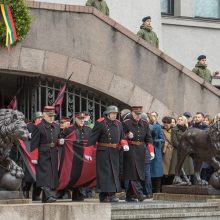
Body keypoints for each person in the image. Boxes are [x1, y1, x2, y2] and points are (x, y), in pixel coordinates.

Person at [87, 105, 129, 203]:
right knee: (105, 175)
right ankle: (108, 195)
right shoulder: (100, 123)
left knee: (114, 173)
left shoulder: (119, 124)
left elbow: (122, 137)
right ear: (108, 114)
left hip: (115, 152)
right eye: (112, 113)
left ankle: (108, 194)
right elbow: (92, 138)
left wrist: (124, 144)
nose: (114, 115)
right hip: (103, 152)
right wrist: (88, 152)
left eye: (115, 114)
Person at [30, 106, 61, 203]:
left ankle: (46, 197)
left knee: (52, 175)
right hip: (43, 153)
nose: (51, 117)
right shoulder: (38, 127)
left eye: (53, 115)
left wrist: (60, 142)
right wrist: (34, 156)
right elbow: (34, 143)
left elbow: (57, 139)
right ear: (44, 115)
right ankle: (49, 196)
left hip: (53, 153)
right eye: (49, 115)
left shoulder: (57, 126)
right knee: (45, 175)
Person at [123, 106, 153, 202]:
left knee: (139, 172)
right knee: (133, 172)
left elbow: (148, 138)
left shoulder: (145, 123)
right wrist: (127, 136)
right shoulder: (126, 122)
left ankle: (129, 195)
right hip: (130, 150)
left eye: (140, 114)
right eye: (136, 114)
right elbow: (120, 136)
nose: (138, 116)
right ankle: (139, 194)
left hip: (141, 150)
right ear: (132, 113)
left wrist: (151, 151)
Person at [61, 112, 92, 201]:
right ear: (75, 119)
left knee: (84, 174)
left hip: (85, 156)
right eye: (80, 119)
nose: (82, 121)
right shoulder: (69, 129)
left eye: (83, 119)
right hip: (73, 157)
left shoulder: (88, 129)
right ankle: (70, 192)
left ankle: (81, 192)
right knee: (74, 175)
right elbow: (62, 139)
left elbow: (92, 141)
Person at [22, 111, 43, 201]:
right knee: (29, 174)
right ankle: (26, 190)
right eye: (39, 118)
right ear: (35, 119)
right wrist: (27, 135)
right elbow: (21, 135)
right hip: (30, 152)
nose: (41, 120)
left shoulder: (43, 127)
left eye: (42, 118)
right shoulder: (28, 126)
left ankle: (36, 194)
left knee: (39, 175)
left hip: (40, 152)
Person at [170, 115, 194, 182]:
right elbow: (174, 141)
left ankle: (186, 182)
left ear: (185, 121)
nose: (179, 121)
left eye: (181, 119)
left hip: (187, 151)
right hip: (178, 151)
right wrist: (183, 148)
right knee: (178, 169)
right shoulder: (174, 129)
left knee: (187, 169)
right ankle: (177, 181)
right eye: (178, 119)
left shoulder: (188, 130)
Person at [148, 113, 164, 193]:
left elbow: (162, 139)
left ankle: (157, 189)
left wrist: (155, 141)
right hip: (146, 149)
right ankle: (149, 190)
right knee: (148, 171)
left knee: (157, 171)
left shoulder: (157, 127)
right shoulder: (142, 126)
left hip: (155, 150)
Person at [161, 116, 174, 185]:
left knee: (171, 170)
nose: (166, 124)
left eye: (168, 123)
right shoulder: (161, 131)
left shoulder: (174, 131)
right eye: (164, 122)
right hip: (164, 151)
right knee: (164, 170)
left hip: (172, 151)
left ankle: (170, 184)